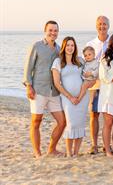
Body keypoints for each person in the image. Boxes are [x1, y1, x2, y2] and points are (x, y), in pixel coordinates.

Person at [23, 20, 66, 158]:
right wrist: (28, 86)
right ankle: (37, 152)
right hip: (38, 90)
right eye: (50, 30)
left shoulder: (60, 49)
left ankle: (51, 149)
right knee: (36, 121)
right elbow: (28, 67)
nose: (53, 33)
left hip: (54, 91)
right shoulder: (37, 46)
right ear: (45, 31)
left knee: (62, 122)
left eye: (55, 30)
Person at [52, 37, 95, 157]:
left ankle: (76, 152)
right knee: (71, 124)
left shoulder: (80, 60)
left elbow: (91, 76)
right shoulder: (58, 62)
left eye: (72, 45)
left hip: (82, 98)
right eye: (68, 45)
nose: (70, 48)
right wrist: (70, 97)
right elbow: (56, 83)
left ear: (75, 47)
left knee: (80, 124)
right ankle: (69, 153)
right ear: (64, 47)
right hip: (67, 98)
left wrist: (89, 83)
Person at [86, 16, 110, 154]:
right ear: (96, 26)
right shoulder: (91, 43)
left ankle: (107, 144)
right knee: (94, 114)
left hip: (109, 84)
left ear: (108, 26)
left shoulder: (112, 42)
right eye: (100, 24)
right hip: (95, 84)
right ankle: (94, 145)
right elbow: (86, 64)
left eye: (105, 24)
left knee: (108, 115)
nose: (102, 26)